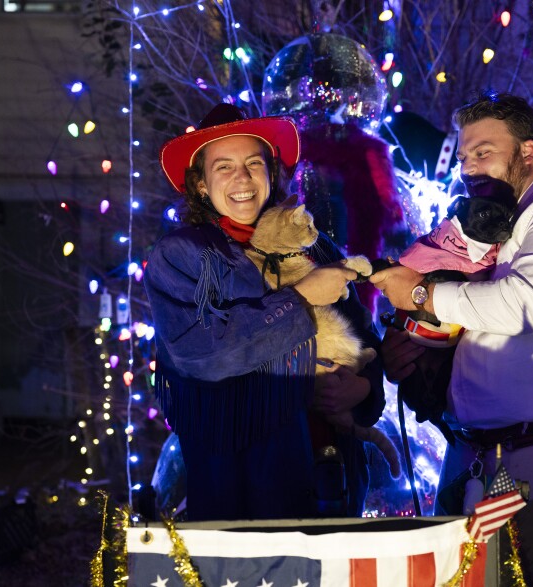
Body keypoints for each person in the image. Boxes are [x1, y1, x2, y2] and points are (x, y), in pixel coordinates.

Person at [371, 92, 533, 586]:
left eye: (484, 152)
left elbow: (526, 305)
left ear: (527, 152)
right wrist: (417, 358)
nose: (469, 166)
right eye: (465, 156)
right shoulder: (484, 230)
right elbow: (476, 329)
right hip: (476, 454)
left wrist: (423, 293)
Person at [145, 103, 385, 521]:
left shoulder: (315, 245)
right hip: (242, 493)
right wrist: (302, 297)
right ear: (200, 184)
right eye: (224, 167)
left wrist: (362, 391)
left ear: (270, 174)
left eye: (254, 163)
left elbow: (366, 340)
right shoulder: (181, 256)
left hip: (332, 478)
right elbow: (206, 353)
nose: (242, 177)